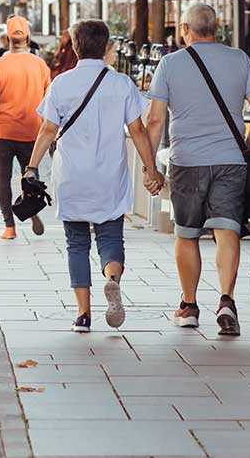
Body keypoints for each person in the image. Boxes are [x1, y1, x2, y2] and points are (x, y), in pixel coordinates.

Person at [25, 20, 161, 333]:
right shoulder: (121, 83)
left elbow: (48, 129)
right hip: (109, 174)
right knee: (111, 236)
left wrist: (32, 166)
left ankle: (83, 314)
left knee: (76, 243)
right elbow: (138, 130)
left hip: (72, 173)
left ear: (75, 46)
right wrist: (151, 170)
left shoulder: (61, 83)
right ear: (106, 48)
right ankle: (111, 279)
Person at [143, 4, 250, 335]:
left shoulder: (170, 64)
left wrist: (149, 167)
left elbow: (155, 119)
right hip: (230, 160)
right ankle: (226, 300)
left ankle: (189, 306)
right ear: (218, 28)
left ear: (184, 28)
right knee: (227, 231)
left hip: (186, 161)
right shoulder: (239, 59)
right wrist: (247, 143)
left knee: (187, 233)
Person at [0, 16, 52, 240]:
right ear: (28, 38)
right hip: (33, 129)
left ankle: (9, 226)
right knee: (29, 174)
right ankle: (29, 207)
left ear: (6, 39)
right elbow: (49, 99)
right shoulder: (40, 65)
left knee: (3, 178)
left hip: (3, 130)